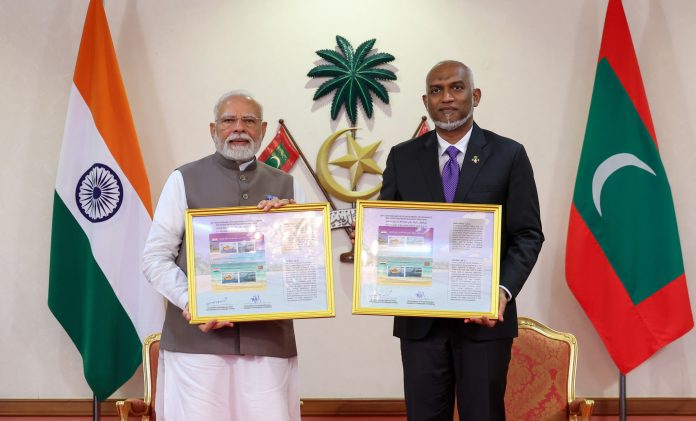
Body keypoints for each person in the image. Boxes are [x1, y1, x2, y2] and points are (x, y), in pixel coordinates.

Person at [380, 60, 544, 420]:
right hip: (420, 323)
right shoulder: (402, 157)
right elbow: (387, 229)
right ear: (425, 101)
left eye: (456, 87)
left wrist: (501, 292)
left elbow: (528, 235)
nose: (446, 98)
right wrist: (371, 243)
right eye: (436, 90)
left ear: (476, 95)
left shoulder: (509, 154)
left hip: (484, 321)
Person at [142, 90, 304, 421]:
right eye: (229, 120)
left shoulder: (287, 186)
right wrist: (193, 302)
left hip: (268, 345)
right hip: (196, 348)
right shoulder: (183, 179)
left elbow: (303, 266)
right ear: (213, 129)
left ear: (263, 129)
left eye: (249, 121)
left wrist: (291, 225)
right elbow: (154, 258)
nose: (239, 128)